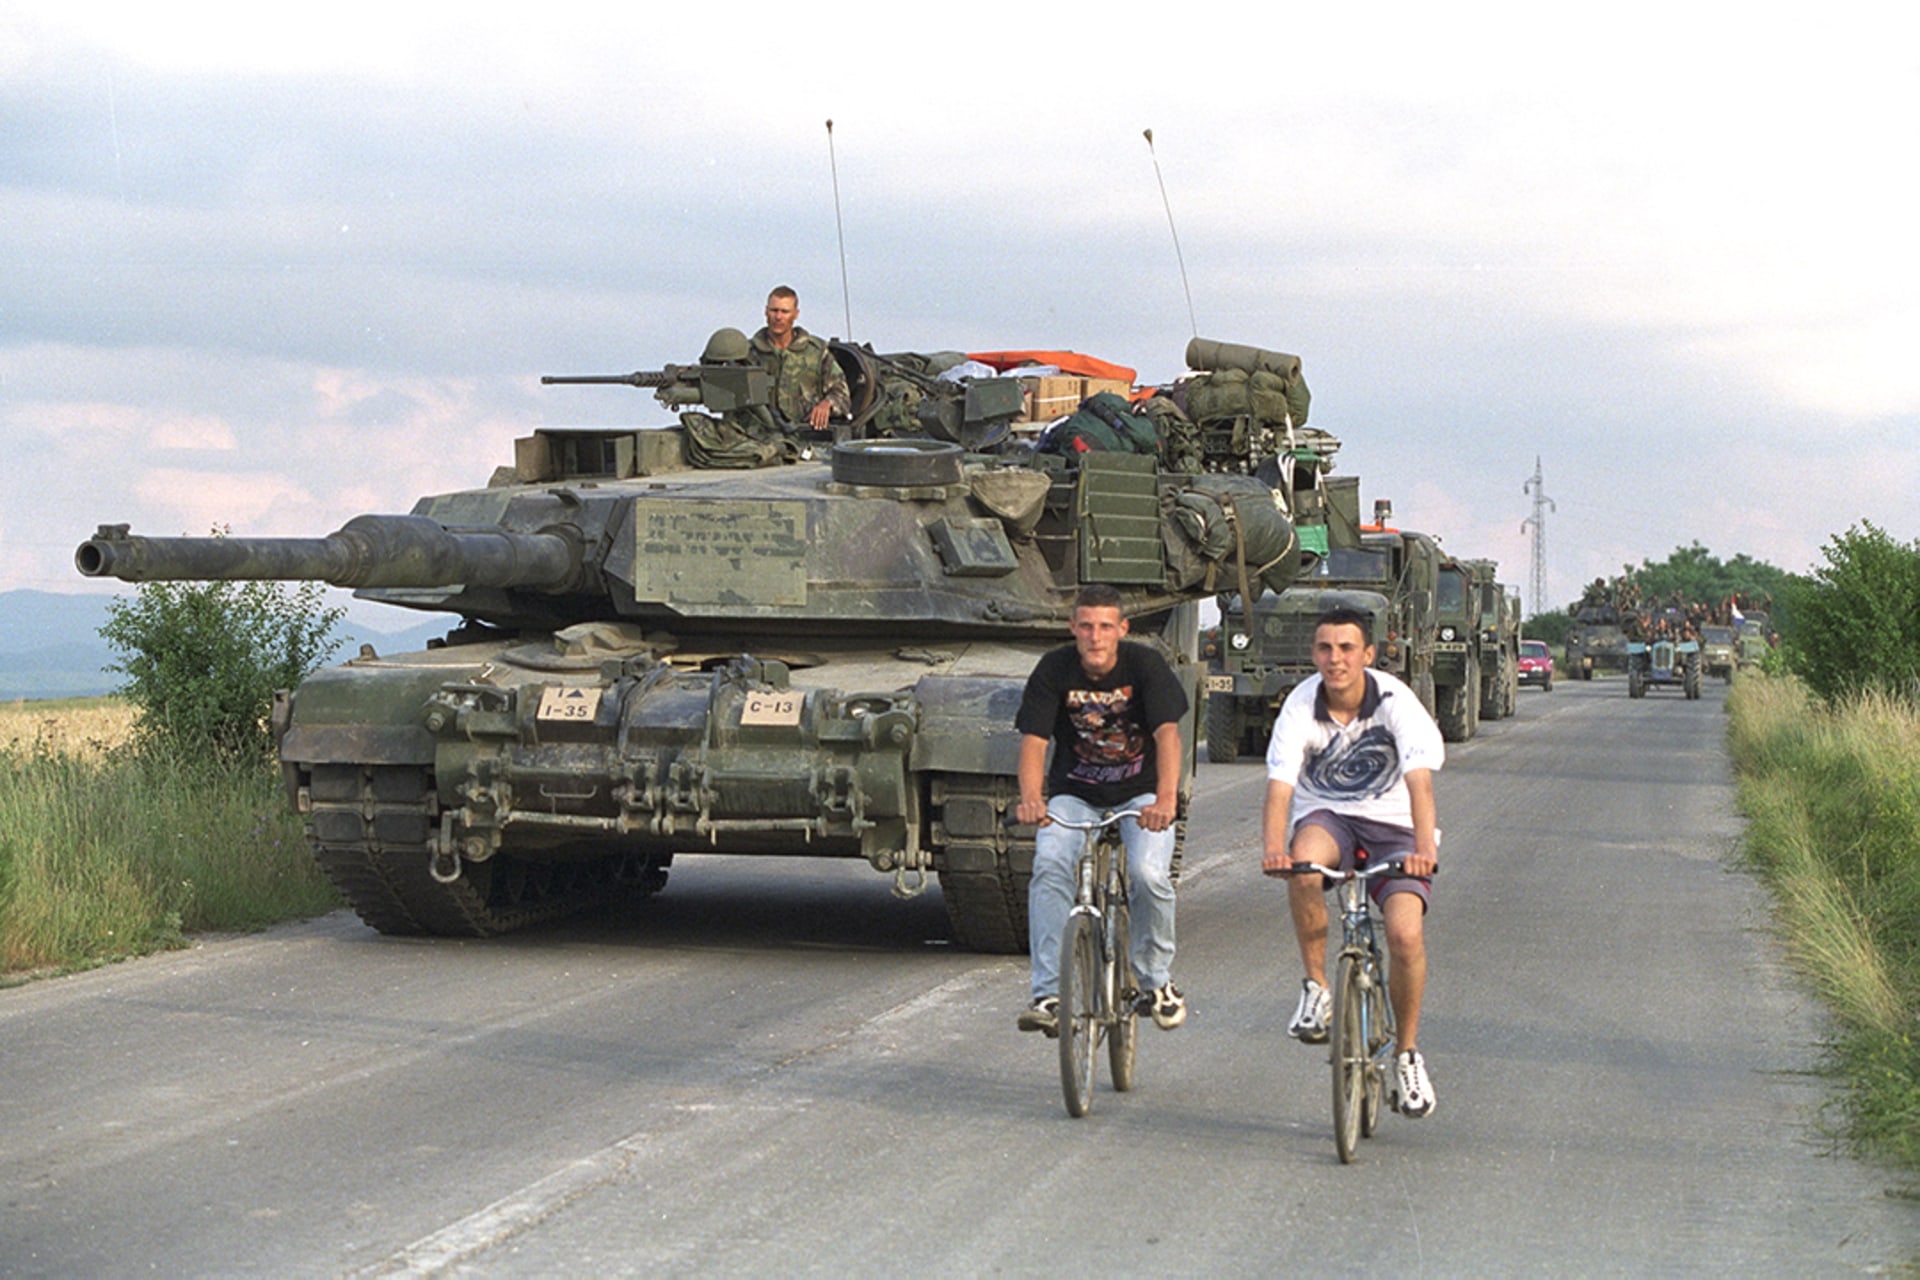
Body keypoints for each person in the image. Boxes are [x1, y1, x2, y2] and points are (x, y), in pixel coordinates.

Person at [1261, 607, 1444, 1117]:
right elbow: (1280, 788)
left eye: (1346, 648)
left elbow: (1419, 783)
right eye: (1325, 648)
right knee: (1303, 866)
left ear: (1368, 654)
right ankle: (1317, 987)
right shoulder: (1301, 705)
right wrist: (1273, 848)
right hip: (1329, 815)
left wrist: (1423, 850)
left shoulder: (1394, 702)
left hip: (1395, 826)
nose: (1335, 659)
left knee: (1405, 934)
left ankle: (1407, 1054)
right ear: (1314, 653)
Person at [1014, 584, 1189, 1036]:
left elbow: (1168, 735)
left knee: (1149, 875)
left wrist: (1166, 800)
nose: (1095, 636)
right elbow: (1034, 742)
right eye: (1087, 626)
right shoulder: (1054, 669)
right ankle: (1048, 994)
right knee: (1050, 865)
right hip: (1074, 793)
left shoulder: (1144, 665)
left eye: (1106, 626)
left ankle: (1156, 982)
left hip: (1141, 796)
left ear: (1122, 629)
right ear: (1073, 627)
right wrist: (1033, 798)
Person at [749, 286, 851, 430]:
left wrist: (827, 404)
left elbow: (842, 394)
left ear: (795, 314)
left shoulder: (816, 352)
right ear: (766, 311)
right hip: (757, 435)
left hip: (805, 433)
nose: (778, 317)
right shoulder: (749, 352)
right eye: (774, 310)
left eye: (784, 311)